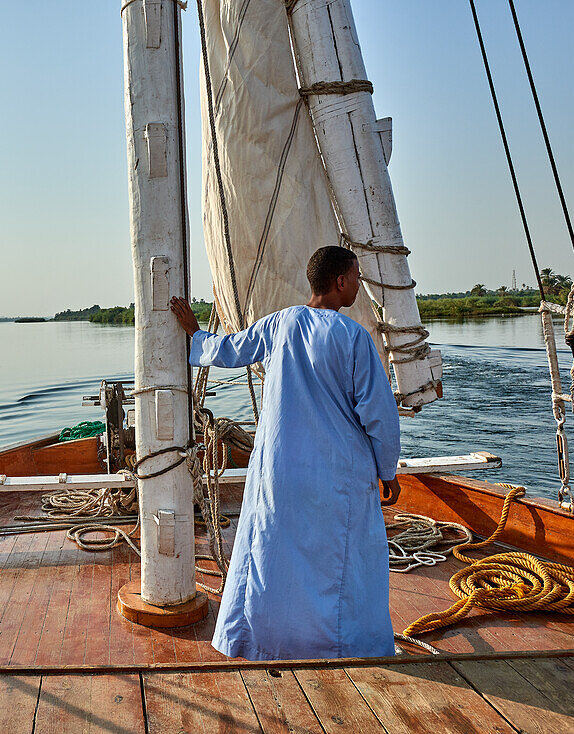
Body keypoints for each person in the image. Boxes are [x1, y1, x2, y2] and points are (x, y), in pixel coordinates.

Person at [169, 246, 401, 660]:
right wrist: (388, 472)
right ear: (341, 282)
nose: (359, 285)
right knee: (346, 563)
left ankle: (263, 640)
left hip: (280, 470)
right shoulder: (353, 339)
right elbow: (379, 416)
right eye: (357, 276)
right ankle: (349, 646)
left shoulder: (281, 323)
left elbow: (229, 351)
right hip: (338, 476)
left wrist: (194, 333)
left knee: (272, 556)